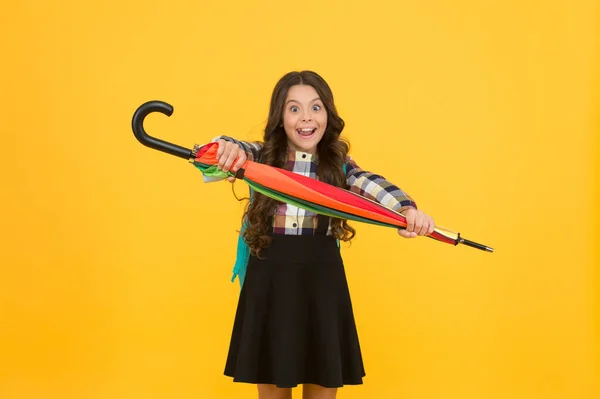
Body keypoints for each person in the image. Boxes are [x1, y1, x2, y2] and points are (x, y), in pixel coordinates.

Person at [210, 70, 435, 399]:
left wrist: (406, 210)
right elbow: (232, 150)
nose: (306, 118)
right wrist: (226, 147)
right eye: (294, 108)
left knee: (322, 384)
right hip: (270, 279)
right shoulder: (260, 158)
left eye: (315, 108)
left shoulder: (338, 165)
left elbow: (369, 183)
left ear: (328, 115)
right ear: (280, 117)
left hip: (322, 281)